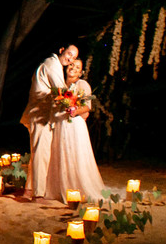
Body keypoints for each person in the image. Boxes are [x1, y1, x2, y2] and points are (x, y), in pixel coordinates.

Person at [20, 44, 77, 199]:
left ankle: (30, 190)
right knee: (41, 153)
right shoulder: (52, 65)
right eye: (69, 53)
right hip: (40, 115)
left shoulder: (54, 65)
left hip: (42, 114)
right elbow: (62, 92)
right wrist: (76, 104)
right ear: (61, 50)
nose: (70, 58)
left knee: (39, 152)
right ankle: (37, 194)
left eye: (73, 57)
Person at [46, 58, 106, 203]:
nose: (73, 68)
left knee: (76, 155)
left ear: (81, 71)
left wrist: (75, 111)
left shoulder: (82, 84)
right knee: (60, 153)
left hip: (75, 125)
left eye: (77, 67)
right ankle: (59, 188)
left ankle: (76, 188)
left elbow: (88, 107)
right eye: (71, 65)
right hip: (60, 124)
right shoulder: (59, 84)